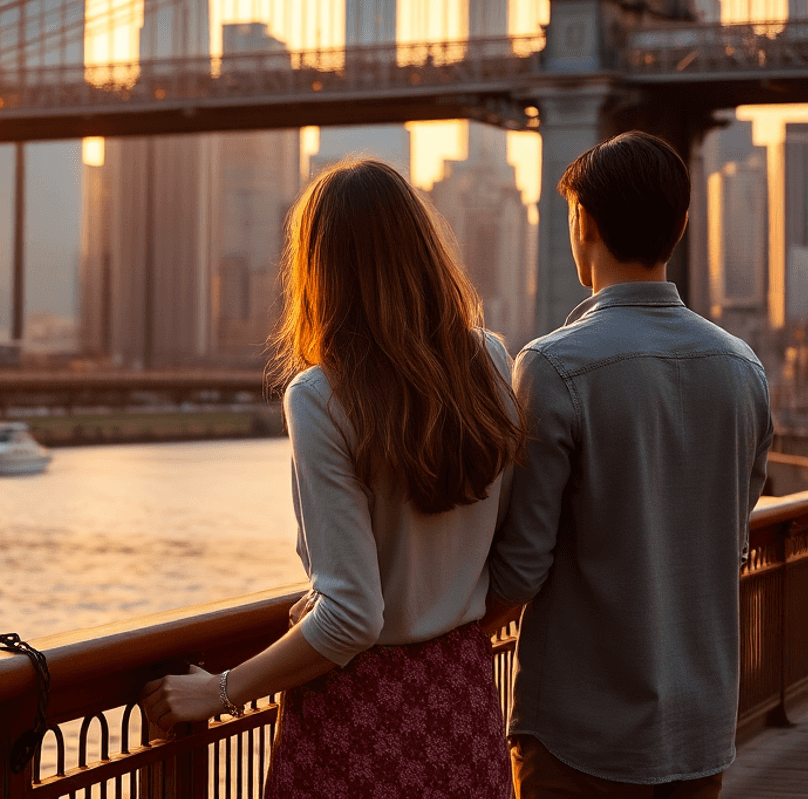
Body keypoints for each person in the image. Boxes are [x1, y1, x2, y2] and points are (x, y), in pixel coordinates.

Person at [141, 158, 523, 797]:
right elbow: (511, 553)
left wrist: (220, 689)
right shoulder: (488, 358)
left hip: (359, 712)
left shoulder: (320, 395)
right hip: (460, 694)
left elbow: (351, 615)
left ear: (317, 269)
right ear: (423, 249)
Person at [484, 131, 772, 798]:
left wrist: (437, 642)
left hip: (579, 733)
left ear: (581, 222)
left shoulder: (554, 367)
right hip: (700, 726)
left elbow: (523, 564)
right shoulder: (743, 368)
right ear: (682, 223)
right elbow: (731, 528)